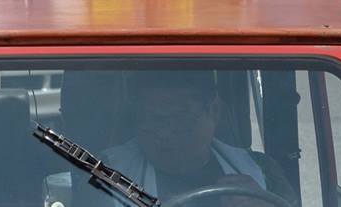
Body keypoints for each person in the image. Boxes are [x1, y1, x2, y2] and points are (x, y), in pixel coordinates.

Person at [77, 71, 295, 207]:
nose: (165, 132)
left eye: (181, 117)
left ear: (214, 111)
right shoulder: (105, 176)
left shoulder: (261, 171)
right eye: (152, 119)